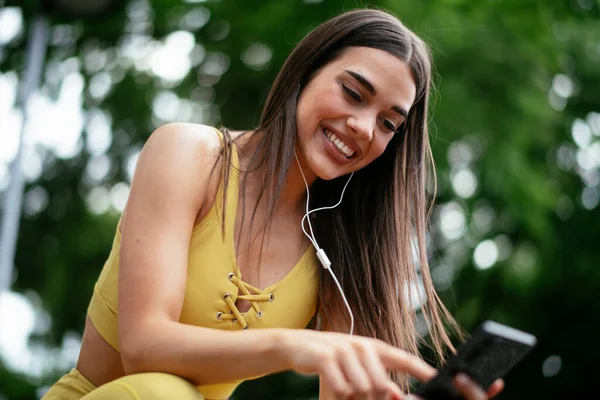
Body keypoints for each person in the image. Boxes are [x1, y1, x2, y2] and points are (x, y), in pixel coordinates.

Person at [42, 8, 504, 400]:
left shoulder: (341, 247)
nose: (364, 127)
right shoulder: (189, 154)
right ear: (305, 73)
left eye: (388, 123)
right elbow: (143, 346)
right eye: (353, 93)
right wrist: (295, 347)